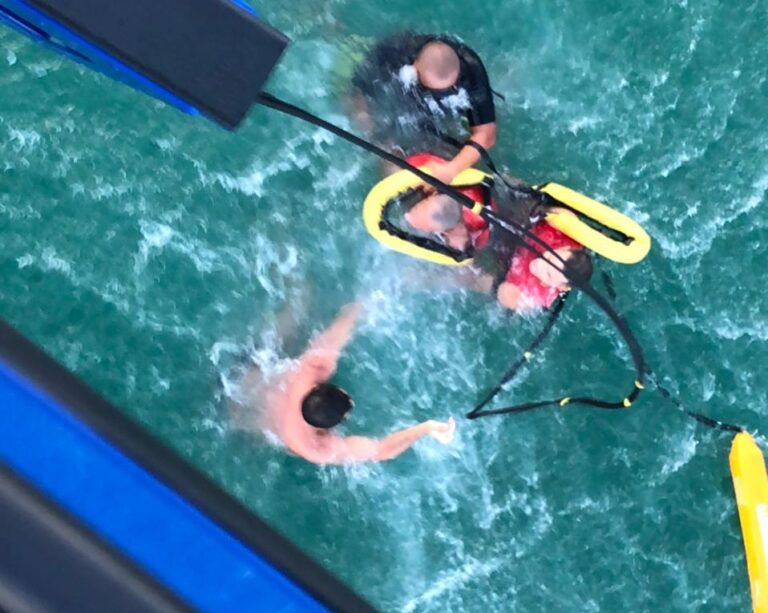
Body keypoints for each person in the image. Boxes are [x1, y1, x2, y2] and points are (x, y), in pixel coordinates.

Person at [233, 302, 456, 464]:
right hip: (245, 406)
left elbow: (352, 313)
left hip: (243, 382)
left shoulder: (310, 368)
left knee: (294, 312)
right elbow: (382, 450)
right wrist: (425, 428)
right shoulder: (312, 448)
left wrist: (427, 427)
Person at [405, 191, 593, 312]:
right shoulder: (567, 237)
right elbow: (566, 214)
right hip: (519, 227)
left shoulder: (537, 295)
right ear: (565, 248)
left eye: (549, 273)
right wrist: (547, 212)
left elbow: (506, 296)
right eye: (552, 256)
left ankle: (416, 280)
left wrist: (510, 295)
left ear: (560, 287)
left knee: (473, 279)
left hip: (505, 266)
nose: (542, 263)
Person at [351, 33, 497, 183]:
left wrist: (453, 168)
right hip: (398, 96)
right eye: (434, 92)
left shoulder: (471, 68)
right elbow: (358, 92)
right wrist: (365, 120)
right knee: (384, 147)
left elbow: (486, 134)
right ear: (413, 70)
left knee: (460, 153)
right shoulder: (393, 58)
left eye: (448, 91)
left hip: (427, 88)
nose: (440, 96)